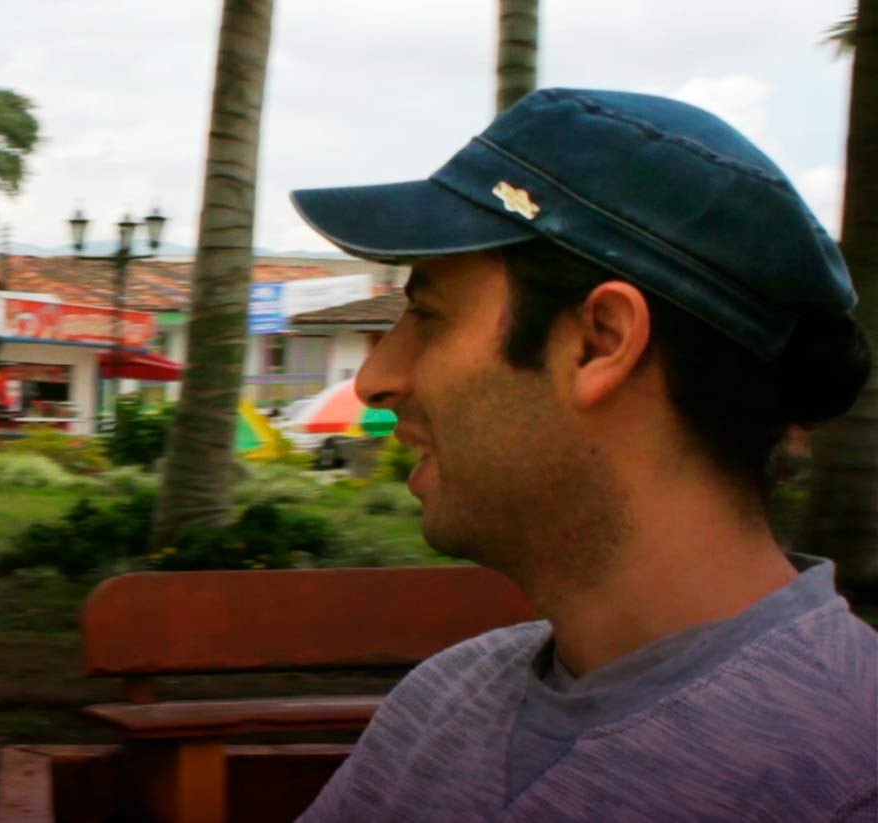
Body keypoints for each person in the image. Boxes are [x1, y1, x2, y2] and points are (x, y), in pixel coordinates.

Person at [289, 88, 875, 821]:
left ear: (600, 340)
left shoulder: (847, 773)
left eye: (429, 316)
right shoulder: (442, 704)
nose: (376, 379)